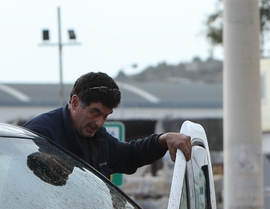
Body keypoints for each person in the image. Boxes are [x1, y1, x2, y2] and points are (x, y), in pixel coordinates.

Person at [25, 72, 192, 179]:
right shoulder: (40, 133)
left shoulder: (99, 140)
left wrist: (162, 140)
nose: (99, 123)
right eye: (95, 113)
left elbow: (130, 155)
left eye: (105, 116)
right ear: (75, 102)